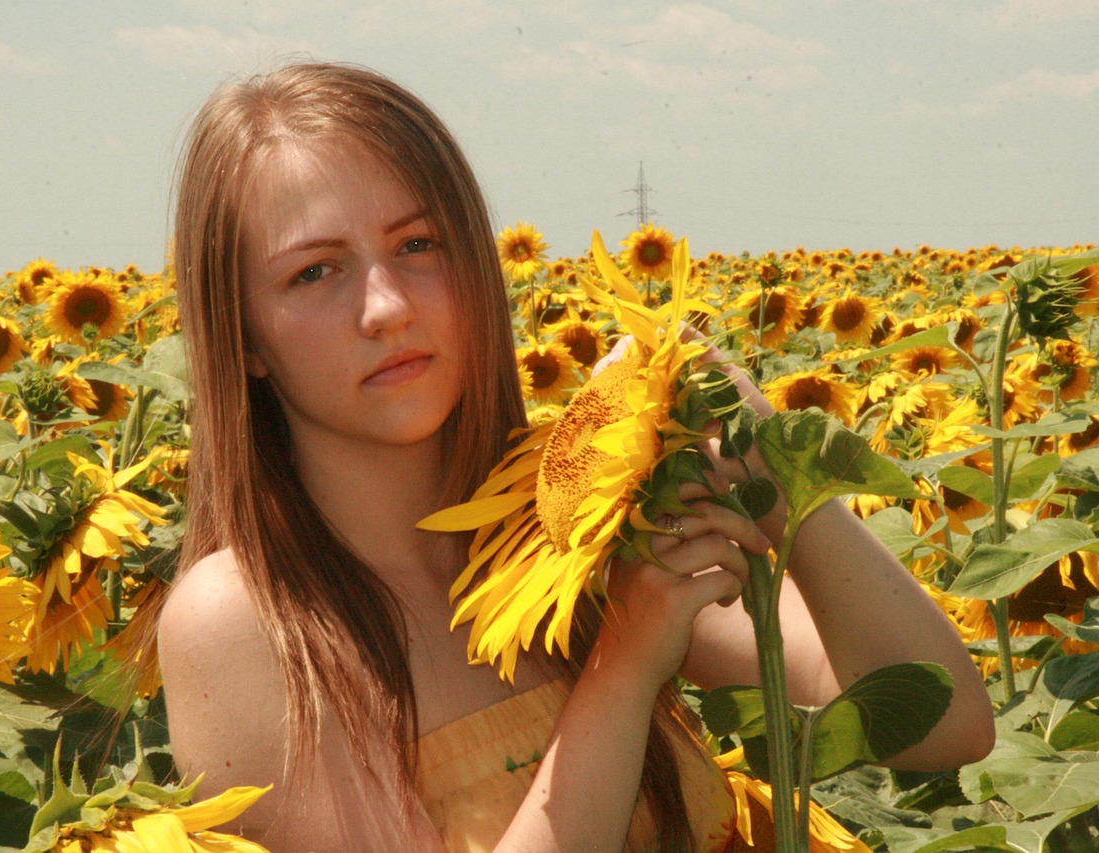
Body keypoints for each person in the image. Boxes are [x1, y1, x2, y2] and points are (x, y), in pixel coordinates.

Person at [156, 61, 995, 851]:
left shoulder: (575, 526)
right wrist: (623, 667)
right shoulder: (247, 624)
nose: (385, 307)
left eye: (417, 245)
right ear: (245, 336)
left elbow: (941, 723)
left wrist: (776, 474)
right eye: (314, 272)